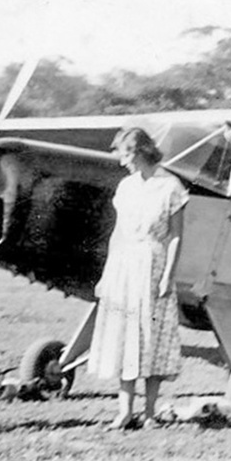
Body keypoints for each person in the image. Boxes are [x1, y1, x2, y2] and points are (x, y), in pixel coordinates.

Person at [89, 127, 189, 430]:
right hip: (124, 266)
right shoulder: (126, 187)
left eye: (127, 155)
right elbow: (118, 233)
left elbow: (175, 236)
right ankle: (124, 412)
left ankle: (148, 413)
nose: (123, 162)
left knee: (152, 339)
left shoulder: (170, 186)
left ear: (142, 151)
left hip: (154, 265)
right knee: (125, 336)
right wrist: (107, 274)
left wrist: (167, 276)